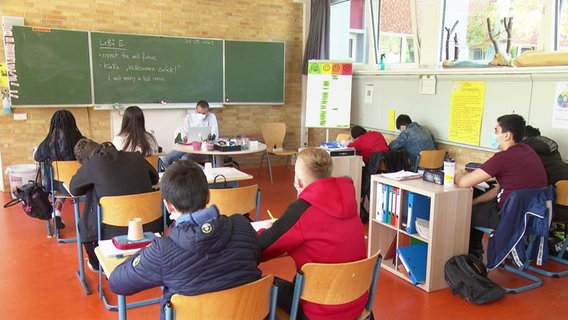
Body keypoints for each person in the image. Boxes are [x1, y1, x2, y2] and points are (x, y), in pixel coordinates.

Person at [108, 159, 262, 320]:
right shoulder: (242, 225)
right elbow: (256, 256)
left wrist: (145, 253)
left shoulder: (161, 251)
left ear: (168, 206)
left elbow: (117, 283)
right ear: (208, 195)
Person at [259, 147, 367, 320]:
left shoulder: (301, 210)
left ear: (298, 181)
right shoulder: (350, 202)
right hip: (356, 304)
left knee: (262, 285)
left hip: (319, 312)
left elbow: (261, 247)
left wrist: (268, 228)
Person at [455, 114, 547, 258]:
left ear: (507, 135)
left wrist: (456, 173)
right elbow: (501, 188)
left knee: (465, 213)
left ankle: (473, 256)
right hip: (533, 214)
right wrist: (474, 202)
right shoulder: (529, 152)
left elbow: (463, 183)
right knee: (476, 203)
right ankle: (476, 252)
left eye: (496, 131)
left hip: (510, 216)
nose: (494, 135)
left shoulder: (503, 158)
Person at [69, 141, 161, 272]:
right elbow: (155, 178)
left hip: (112, 232)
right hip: (150, 227)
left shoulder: (93, 163)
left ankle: (97, 263)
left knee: (93, 196)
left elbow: (74, 189)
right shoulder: (135, 157)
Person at [34, 110, 85, 229]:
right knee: (69, 180)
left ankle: (56, 210)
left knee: (55, 177)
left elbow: (37, 158)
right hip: (80, 187)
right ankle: (58, 210)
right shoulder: (82, 141)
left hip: (56, 187)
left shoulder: (47, 143)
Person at [160, 100, 219, 167]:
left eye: (204, 113)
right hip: (188, 146)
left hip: (203, 150)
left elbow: (215, 135)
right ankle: (172, 176)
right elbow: (184, 131)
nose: (201, 115)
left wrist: (209, 139)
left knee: (185, 159)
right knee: (165, 159)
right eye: (199, 112)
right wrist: (184, 137)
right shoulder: (189, 117)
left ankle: (186, 175)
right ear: (196, 110)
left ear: (208, 112)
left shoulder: (211, 117)